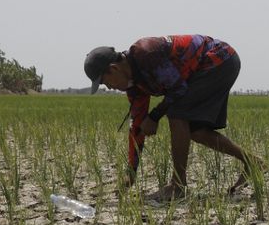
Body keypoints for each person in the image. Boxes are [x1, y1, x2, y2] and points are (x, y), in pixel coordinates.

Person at [84, 35, 258, 202]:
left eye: (105, 82)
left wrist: (154, 116)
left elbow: (178, 89)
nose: (109, 87)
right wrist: (131, 173)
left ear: (114, 68)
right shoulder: (135, 87)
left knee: (177, 115)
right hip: (205, 70)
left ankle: (178, 186)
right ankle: (253, 162)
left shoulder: (146, 53)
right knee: (195, 131)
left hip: (219, 59)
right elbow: (137, 127)